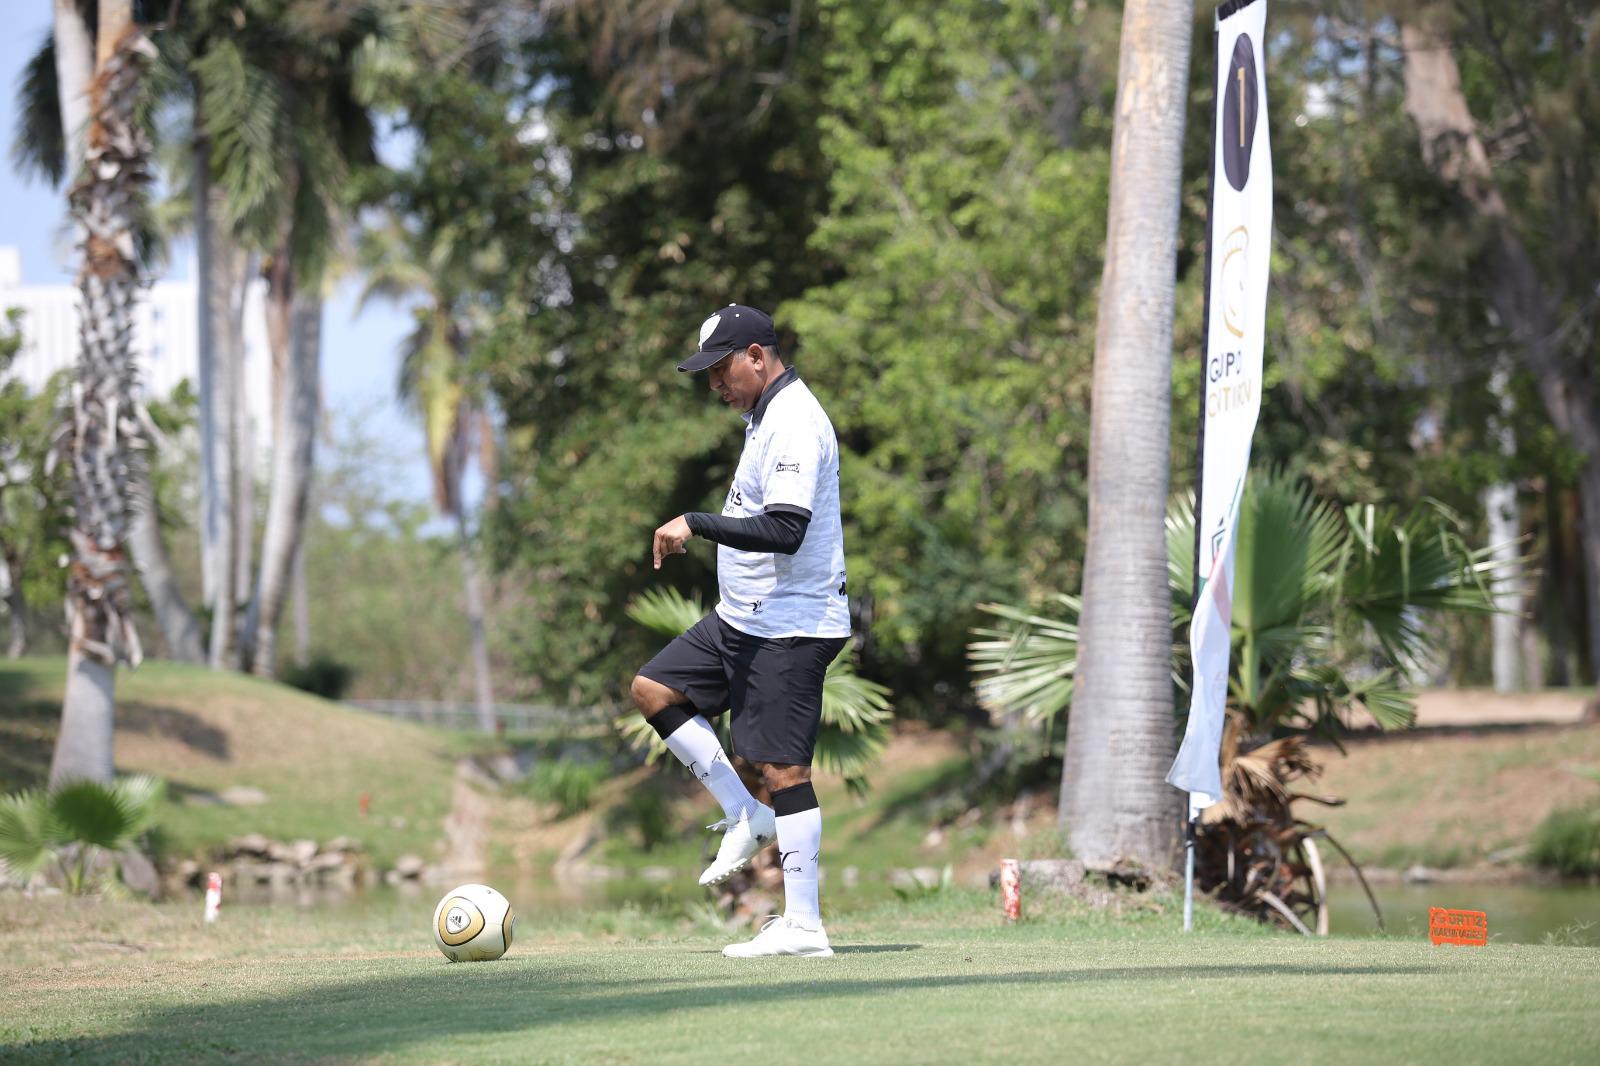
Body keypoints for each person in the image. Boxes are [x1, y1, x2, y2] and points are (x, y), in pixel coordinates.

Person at [631, 303, 851, 959]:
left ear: (758, 355)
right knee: (654, 690)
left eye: (722, 370)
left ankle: (805, 926)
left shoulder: (794, 422)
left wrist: (696, 522)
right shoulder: (763, 415)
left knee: (784, 769)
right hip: (742, 619)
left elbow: (786, 529)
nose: (715, 385)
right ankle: (744, 815)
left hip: (793, 623)